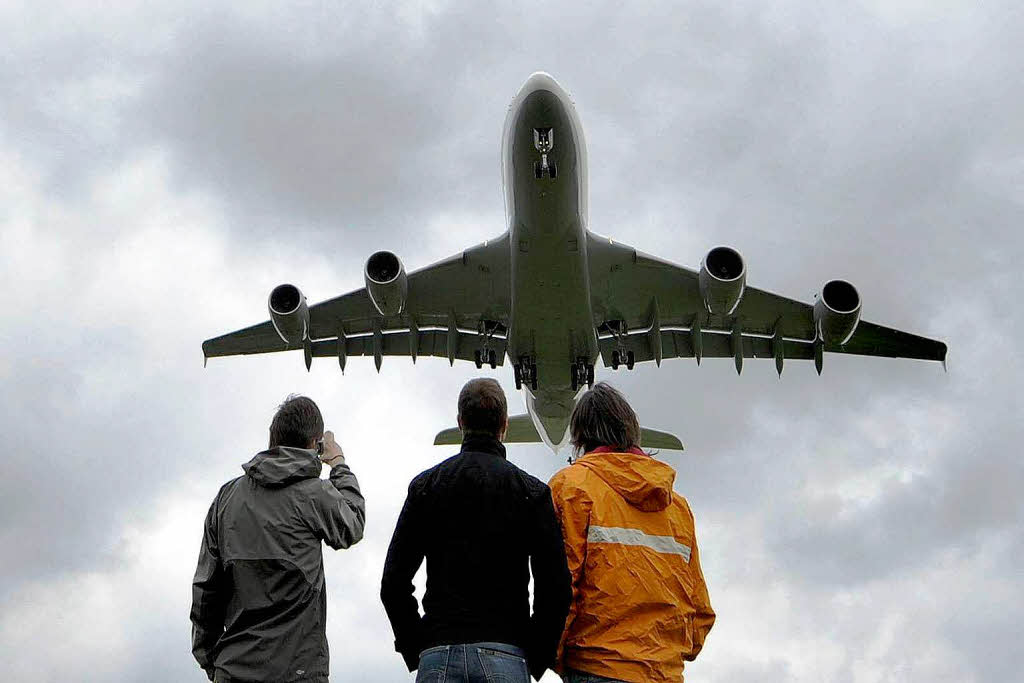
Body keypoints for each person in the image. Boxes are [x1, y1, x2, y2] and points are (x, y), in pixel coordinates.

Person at [381, 378, 572, 682]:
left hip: (439, 650)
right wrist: (535, 656)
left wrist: (416, 645)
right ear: (505, 425)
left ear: (460, 423)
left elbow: (393, 582)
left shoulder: (426, 487)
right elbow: (556, 590)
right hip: (505, 651)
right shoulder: (531, 493)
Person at [191, 395, 365, 683]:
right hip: (297, 672)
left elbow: (206, 590)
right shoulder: (316, 494)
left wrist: (212, 660)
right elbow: (353, 523)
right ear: (315, 445)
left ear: (272, 441)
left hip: (234, 668)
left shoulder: (226, 498)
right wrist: (338, 464)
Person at [548, 382, 715, 683]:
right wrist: (665, 653)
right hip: (664, 673)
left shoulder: (571, 488)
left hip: (597, 665)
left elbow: (561, 587)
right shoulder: (677, 507)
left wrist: (555, 654)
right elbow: (699, 608)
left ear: (579, 436)